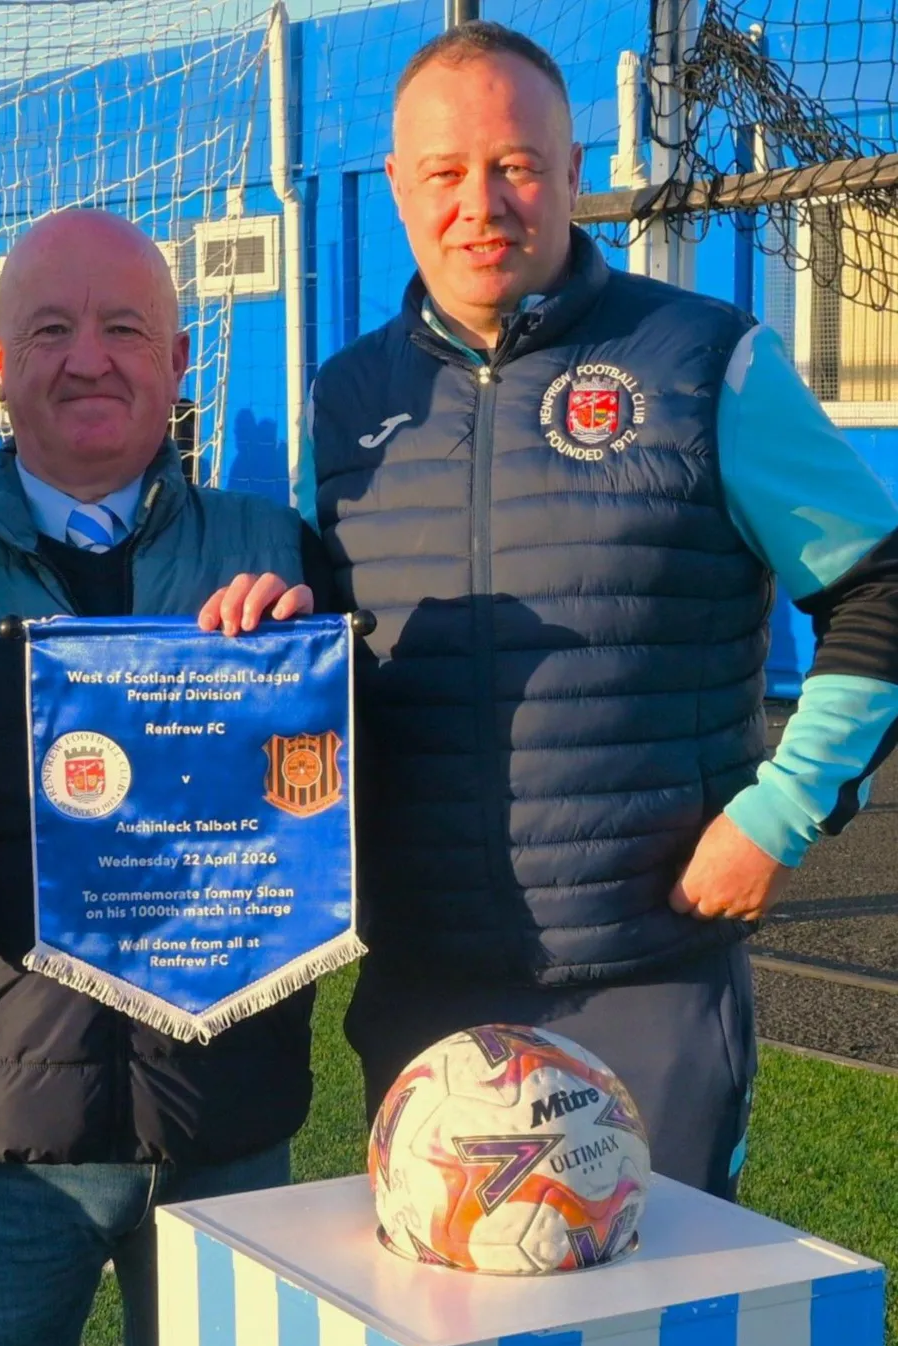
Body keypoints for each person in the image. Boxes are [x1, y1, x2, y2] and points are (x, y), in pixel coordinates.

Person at [231, 22, 898, 1201]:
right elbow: (328, 662)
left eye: (517, 164)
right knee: (451, 1338)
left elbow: (880, 586)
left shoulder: (704, 361)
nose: (479, 204)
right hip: (424, 984)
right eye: (444, 172)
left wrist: (778, 817)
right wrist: (269, 627)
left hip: (648, 973)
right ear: (397, 185)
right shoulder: (344, 403)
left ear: (573, 168)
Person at [0, 208, 323, 1346]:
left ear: (179, 358)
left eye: (124, 327)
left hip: (228, 1119)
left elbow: (349, 800)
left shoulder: (277, 548)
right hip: (11, 1126)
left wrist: (300, 676)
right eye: (52, 329)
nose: (89, 359)